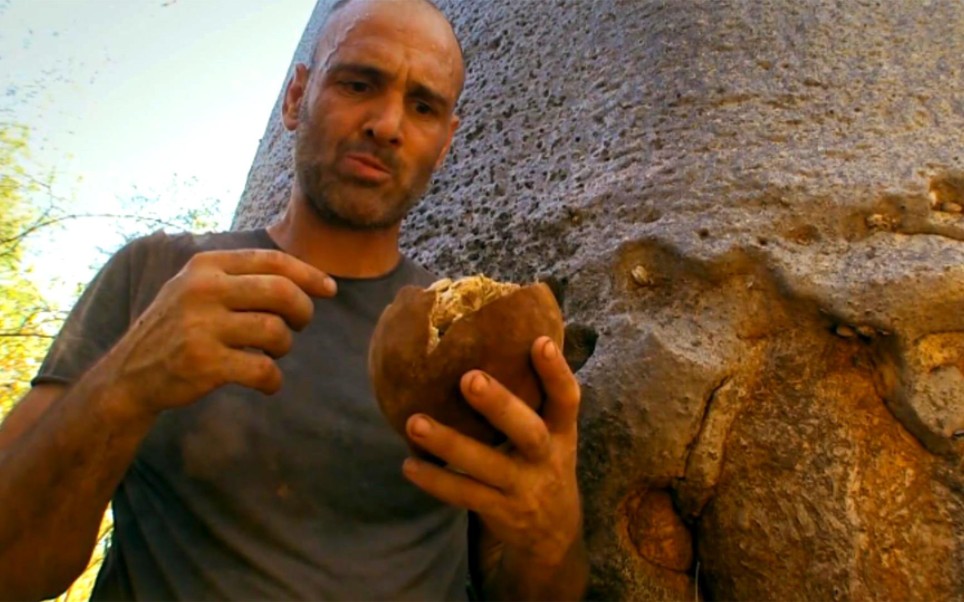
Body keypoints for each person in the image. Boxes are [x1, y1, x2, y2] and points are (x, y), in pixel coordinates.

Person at [0, 0, 588, 599]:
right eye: (359, 82)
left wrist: (553, 537)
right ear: (294, 97)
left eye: (423, 106)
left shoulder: (476, 345)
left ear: (445, 143)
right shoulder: (158, 276)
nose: (387, 123)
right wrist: (123, 385)